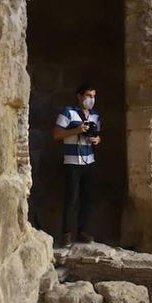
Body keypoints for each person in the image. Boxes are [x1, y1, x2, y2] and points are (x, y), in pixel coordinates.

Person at [53, 83, 101, 247]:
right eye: (88, 95)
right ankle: (66, 234)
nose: (91, 99)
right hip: (72, 162)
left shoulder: (95, 115)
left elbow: (97, 135)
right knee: (71, 199)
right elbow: (56, 134)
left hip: (89, 161)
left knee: (87, 198)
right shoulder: (68, 112)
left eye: (93, 96)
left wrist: (96, 139)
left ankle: (83, 231)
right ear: (79, 96)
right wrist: (77, 130)